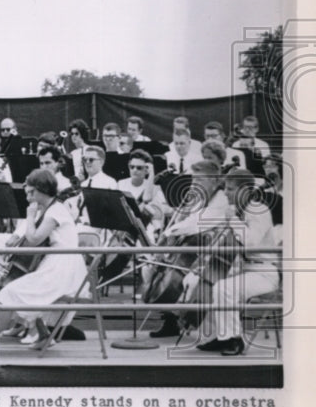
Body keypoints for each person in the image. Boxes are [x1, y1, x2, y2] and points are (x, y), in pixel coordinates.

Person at [0, 169, 85, 356]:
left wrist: (30, 216)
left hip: (63, 269)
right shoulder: (49, 209)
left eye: (31, 193)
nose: (28, 198)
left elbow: (35, 239)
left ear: (42, 190)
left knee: (8, 294)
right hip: (57, 264)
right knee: (22, 288)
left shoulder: (55, 212)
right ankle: (45, 336)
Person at [188, 168, 278, 355]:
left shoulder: (258, 210)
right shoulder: (237, 211)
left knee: (223, 288)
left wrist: (233, 220)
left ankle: (235, 339)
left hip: (264, 273)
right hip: (244, 270)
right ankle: (218, 336)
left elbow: (251, 243)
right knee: (204, 282)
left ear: (243, 190)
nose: (225, 193)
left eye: (230, 189)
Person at [149, 160, 229, 338]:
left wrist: (169, 232)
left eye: (200, 180)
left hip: (213, 254)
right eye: (193, 180)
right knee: (166, 270)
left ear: (215, 180)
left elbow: (198, 224)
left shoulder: (221, 199)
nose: (195, 184)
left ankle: (183, 322)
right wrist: (177, 222)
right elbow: (188, 221)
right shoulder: (201, 197)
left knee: (181, 277)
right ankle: (171, 321)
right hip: (196, 248)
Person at [118, 149, 170, 239]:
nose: (134, 170)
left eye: (139, 168)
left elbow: (148, 200)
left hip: (146, 230)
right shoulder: (121, 184)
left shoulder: (155, 188)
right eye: (132, 167)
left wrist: (151, 175)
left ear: (146, 170)